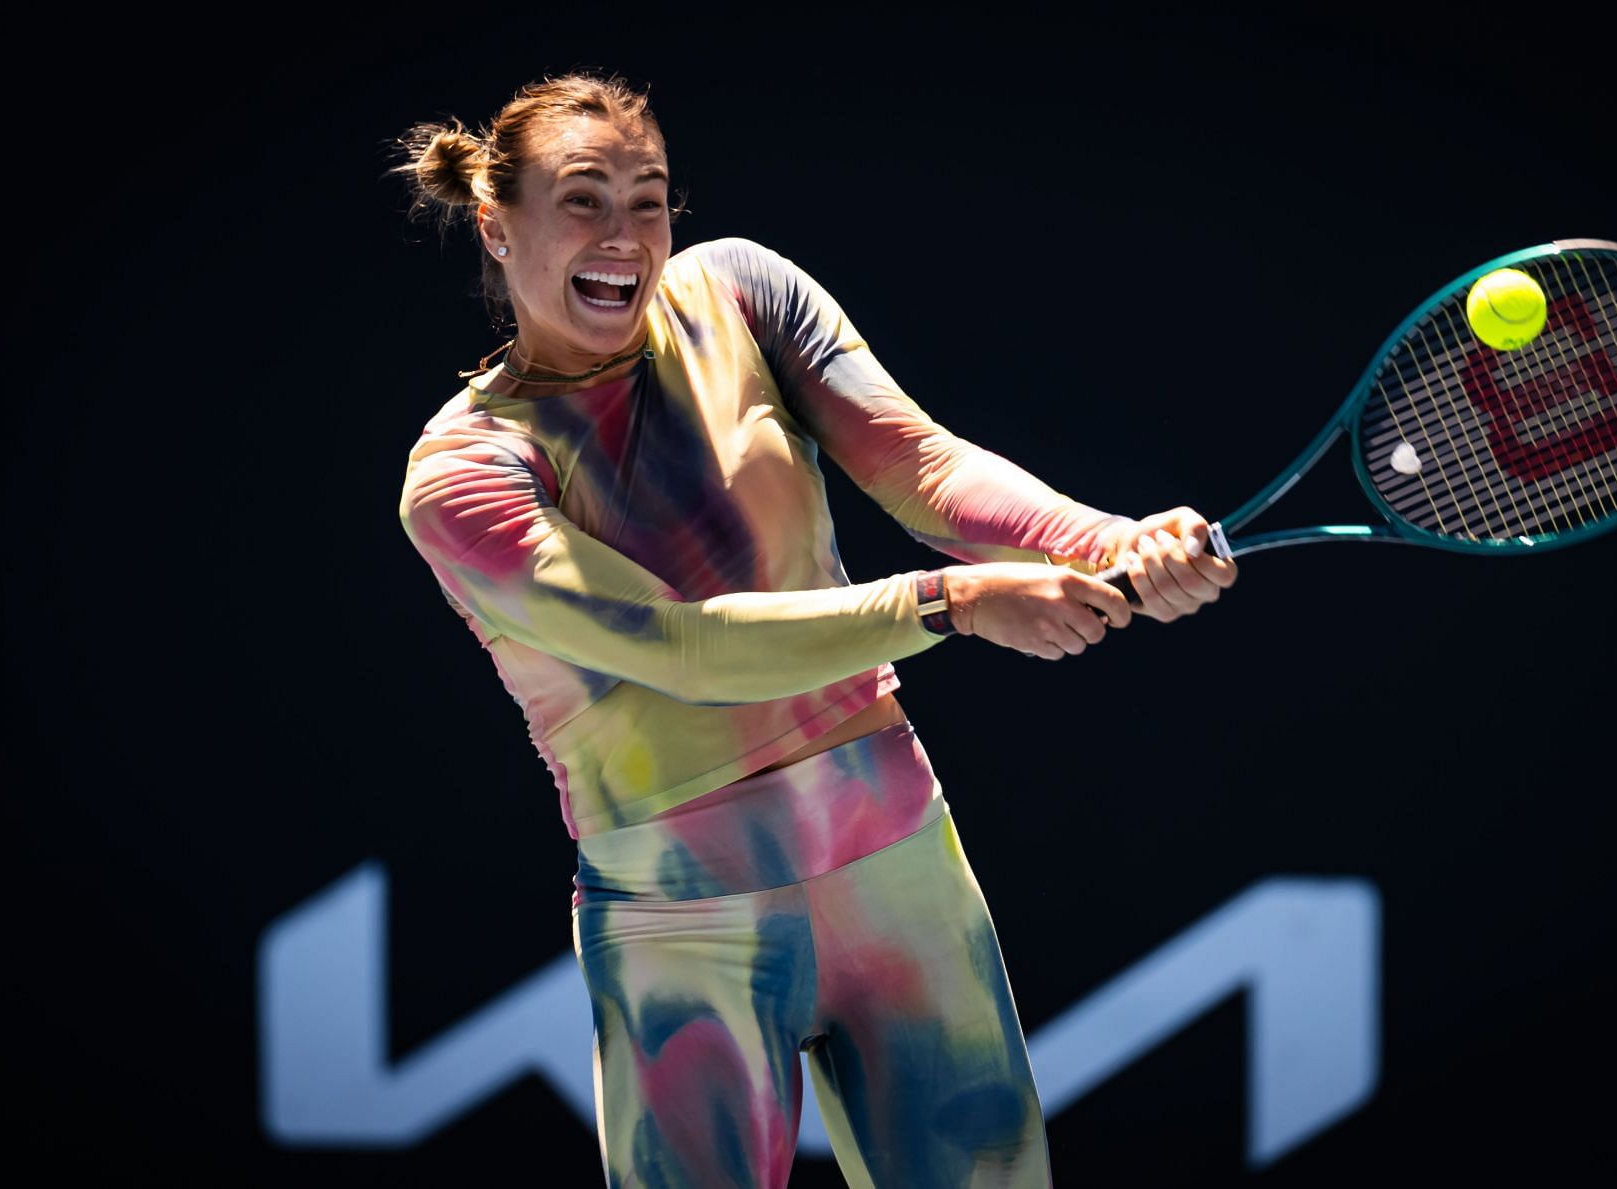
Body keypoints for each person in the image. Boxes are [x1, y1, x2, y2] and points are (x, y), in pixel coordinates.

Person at [389, 71, 1236, 1188]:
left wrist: (1107, 539)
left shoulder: (738, 292)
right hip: (680, 925)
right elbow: (683, 645)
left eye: (647, 199)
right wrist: (955, 603)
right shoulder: (463, 476)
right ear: (498, 226)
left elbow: (923, 465)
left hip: (896, 861)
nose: (623, 235)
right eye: (583, 199)